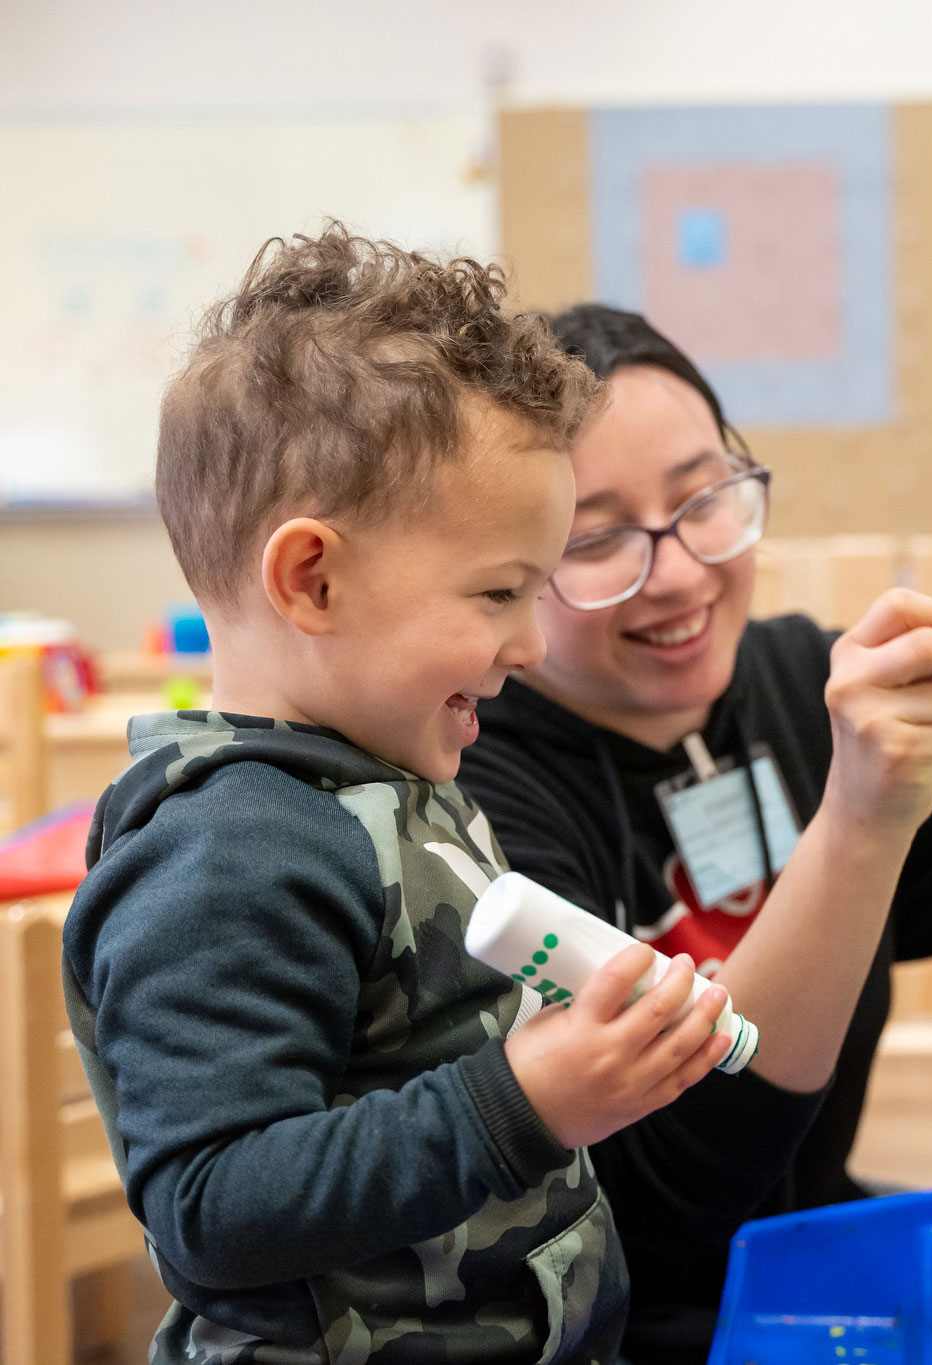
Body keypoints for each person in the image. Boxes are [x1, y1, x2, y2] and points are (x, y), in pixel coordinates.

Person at [61, 230, 734, 1364]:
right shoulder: (231, 851)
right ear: (312, 580)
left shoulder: (390, 763)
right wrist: (521, 1100)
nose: (528, 643)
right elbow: (211, 1206)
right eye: (497, 592)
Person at [457, 304, 932, 1362]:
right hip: (618, 1321)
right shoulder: (479, 790)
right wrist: (856, 818)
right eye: (599, 537)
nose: (676, 574)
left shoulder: (805, 681)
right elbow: (676, 1205)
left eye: (705, 499)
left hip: (821, 1262)